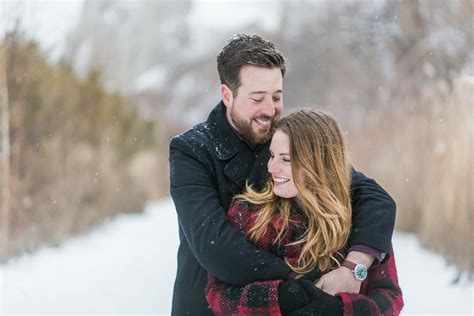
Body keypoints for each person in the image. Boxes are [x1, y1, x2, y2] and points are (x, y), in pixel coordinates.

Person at [169, 34, 396, 315]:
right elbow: (216, 248)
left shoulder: (287, 137)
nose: (270, 110)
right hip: (209, 305)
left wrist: (352, 268)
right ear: (227, 95)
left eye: (277, 97)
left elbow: (372, 197)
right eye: (257, 98)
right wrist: (307, 288)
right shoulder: (191, 150)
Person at [205, 109, 404, 315]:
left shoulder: (363, 219)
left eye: (286, 159)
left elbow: (390, 299)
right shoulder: (251, 212)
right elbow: (218, 292)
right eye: (272, 156)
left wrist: (339, 310)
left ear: (317, 163)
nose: (271, 167)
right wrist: (283, 298)